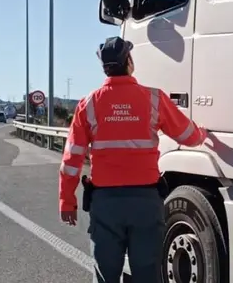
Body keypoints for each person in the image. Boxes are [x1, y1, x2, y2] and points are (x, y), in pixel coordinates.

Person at [59, 36, 208, 283]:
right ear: (129, 61)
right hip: (146, 203)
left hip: (106, 204)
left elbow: (72, 158)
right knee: (147, 274)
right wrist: (202, 133)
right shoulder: (154, 99)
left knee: (106, 275)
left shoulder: (89, 105)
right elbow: (187, 135)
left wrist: (66, 201)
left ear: (105, 67)